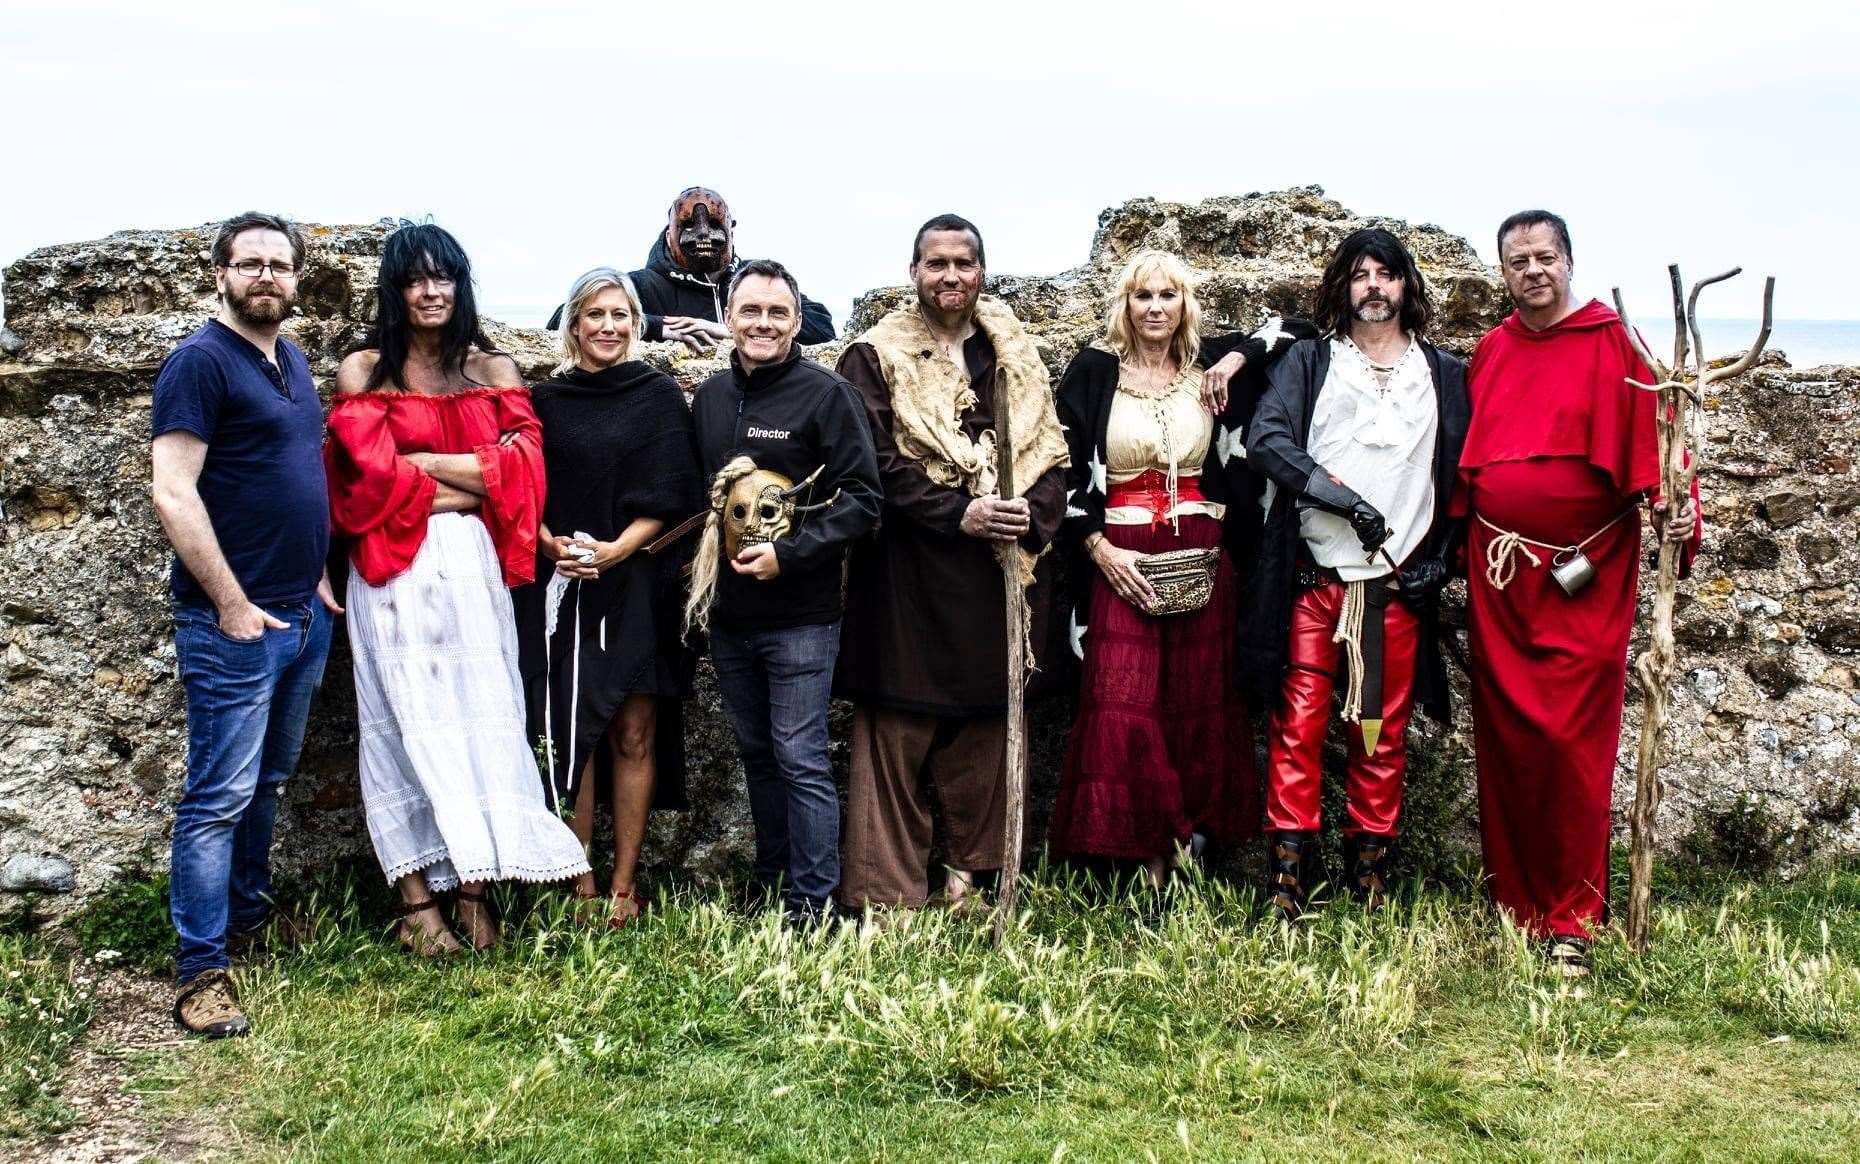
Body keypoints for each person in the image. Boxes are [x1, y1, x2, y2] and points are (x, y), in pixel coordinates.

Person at [325, 222, 588, 955]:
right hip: (392, 567)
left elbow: (526, 481)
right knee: (403, 719)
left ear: (460, 284)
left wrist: (425, 463)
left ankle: (474, 891)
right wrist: (475, 475)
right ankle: (418, 908)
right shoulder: (364, 372)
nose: (430, 291)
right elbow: (368, 485)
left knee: (485, 716)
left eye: (442, 277)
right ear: (395, 288)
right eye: (415, 278)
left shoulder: (494, 372)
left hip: (474, 570)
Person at [1459, 210, 1699, 977]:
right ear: (1502, 272)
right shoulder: (1491, 351)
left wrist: (1680, 509)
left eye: (1544, 257)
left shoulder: (1615, 345)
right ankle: (1516, 906)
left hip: (1583, 577)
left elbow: (1665, 461)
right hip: (1499, 574)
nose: (1532, 271)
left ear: (1569, 261)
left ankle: (1574, 918)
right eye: (1517, 260)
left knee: (1571, 745)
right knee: (1508, 741)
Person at [1048, 249, 1311, 889]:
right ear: (1126, 305)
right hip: (1120, 555)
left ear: (1186, 304)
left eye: (1169, 295)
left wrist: (1235, 357)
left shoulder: (1208, 365)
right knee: (1121, 699)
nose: (1157, 307)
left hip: (1202, 553)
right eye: (1144, 296)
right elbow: (1060, 469)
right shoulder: (1092, 372)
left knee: (1198, 700)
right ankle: (1143, 856)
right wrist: (1097, 549)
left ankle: (1188, 845)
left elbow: (1301, 326)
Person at [832, 214, 1071, 912]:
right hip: (908, 573)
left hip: (994, 573)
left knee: (985, 728)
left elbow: (1050, 453)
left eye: (963, 263)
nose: (951, 276)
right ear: (914, 273)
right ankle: (887, 892)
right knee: (895, 734)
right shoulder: (873, 358)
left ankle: (972, 876)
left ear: (982, 272)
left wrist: (1032, 514)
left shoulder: (1013, 356)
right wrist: (954, 512)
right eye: (936, 264)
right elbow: (872, 463)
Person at [1242, 228, 1469, 920]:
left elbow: (1467, 475)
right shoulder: (1312, 363)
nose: (1374, 285)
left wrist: (1443, 559)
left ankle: (1368, 877)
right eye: (1360, 274)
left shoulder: (1444, 374)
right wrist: (1344, 499)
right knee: (1301, 725)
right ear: (1342, 287)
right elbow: (1267, 440)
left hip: (1395, 590)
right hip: (1318, 582)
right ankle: (1286, 882)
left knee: (1378, 731)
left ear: (1406, 287)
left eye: (1387, 274)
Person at [151, 211, 340, 1037]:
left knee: (265, 783)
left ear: (296, 279)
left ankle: (250, 921)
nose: (266, 277)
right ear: (220, 273)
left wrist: (323, 573)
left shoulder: (289, 360)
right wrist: (230, 603)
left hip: (302, 616)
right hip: (235, 625)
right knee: (217, 797)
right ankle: (201, 972)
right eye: (249, 263)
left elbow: (298, 475)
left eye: (279, 265)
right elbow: (174, 491)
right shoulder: (199, 363)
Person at [685, 258, 881, 924]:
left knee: (799, 757)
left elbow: (863, 500)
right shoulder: (710, 398)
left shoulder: (827, 396)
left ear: (797, 321)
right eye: (750, 311)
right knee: (758, 755)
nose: (762, 323)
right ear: (728, 317)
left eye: (777, 312)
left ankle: (812, 903)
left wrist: (789, 554)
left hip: (801, 615)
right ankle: (769, 882)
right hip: (730, 618)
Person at [518, 267, 705, 929]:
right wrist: (551, 547)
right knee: (576, 736)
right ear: (572, 324)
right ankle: (581, 879)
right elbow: (522, 490)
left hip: (636, 585)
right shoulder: (546, 400)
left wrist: (617, 549)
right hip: (565, 584)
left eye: (620, 315)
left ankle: (626, 882)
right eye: (594, 315)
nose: (608, 326)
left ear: (635, 323)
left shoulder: (657, 397)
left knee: (632, 732)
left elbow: (680, 496)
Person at [546, 188, 836, 352]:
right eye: (688, 226)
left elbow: (821, 326)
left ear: (731, 230)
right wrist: (656, 325)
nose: (702, 235)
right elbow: (564, 319)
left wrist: (730, 330)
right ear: (670, 232)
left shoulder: (754, 280)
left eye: (714, 226)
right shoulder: (642, 286)